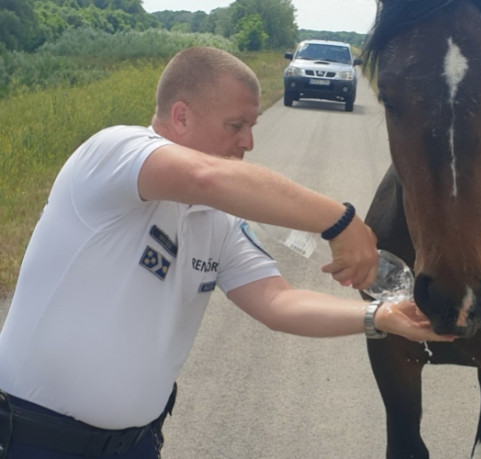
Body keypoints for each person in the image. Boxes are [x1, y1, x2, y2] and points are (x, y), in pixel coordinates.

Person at [0, 46, 452, 458]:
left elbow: (277, 302)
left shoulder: (218, 222)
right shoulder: (114, 152)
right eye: (236, 126)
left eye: (252, 126)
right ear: (180, 116)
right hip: (32, 438)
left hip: (136, 444)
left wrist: (377, 318)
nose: (248, 142)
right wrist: (339, 219)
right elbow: (206, 177)